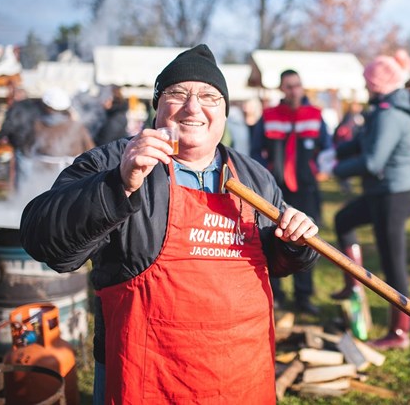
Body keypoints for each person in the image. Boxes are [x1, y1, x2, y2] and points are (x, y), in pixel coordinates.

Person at [19, 44, 320, 404]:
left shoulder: (254, 176)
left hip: (240, 374)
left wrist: (294, 245)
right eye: (178, 94)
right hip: (146, 374)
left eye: (210, 96)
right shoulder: (114, 161)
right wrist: (119, 185)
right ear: (157, 107)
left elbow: (274, 262)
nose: (194, 107)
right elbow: (44, 240)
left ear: (224, 112)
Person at [329, 49, 410, 350]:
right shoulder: (383, 109)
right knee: (343, 219)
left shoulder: (390, 115)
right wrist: (336, 151)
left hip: (394, 195)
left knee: (394, 265)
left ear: (379, 83)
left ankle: (399, 332)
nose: (365, 87)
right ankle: (354, 284)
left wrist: (335, 169)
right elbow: (362, 141)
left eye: (368, 82)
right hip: (383, 192)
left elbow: (372, 161)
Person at [250, 69, 331, 315]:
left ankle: (304, 295)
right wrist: (263, 178)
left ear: (302, 87)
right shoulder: (269, 116)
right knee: (273, 238)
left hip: (306, 188)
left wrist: (321, 169)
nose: (293, 90)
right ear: (281, 89)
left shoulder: (315, 115)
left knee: (306, 239)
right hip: (276, 189)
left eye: (296, 85)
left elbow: (327, 148)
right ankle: (276, 294)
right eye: (288, 86)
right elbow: (255, 151)